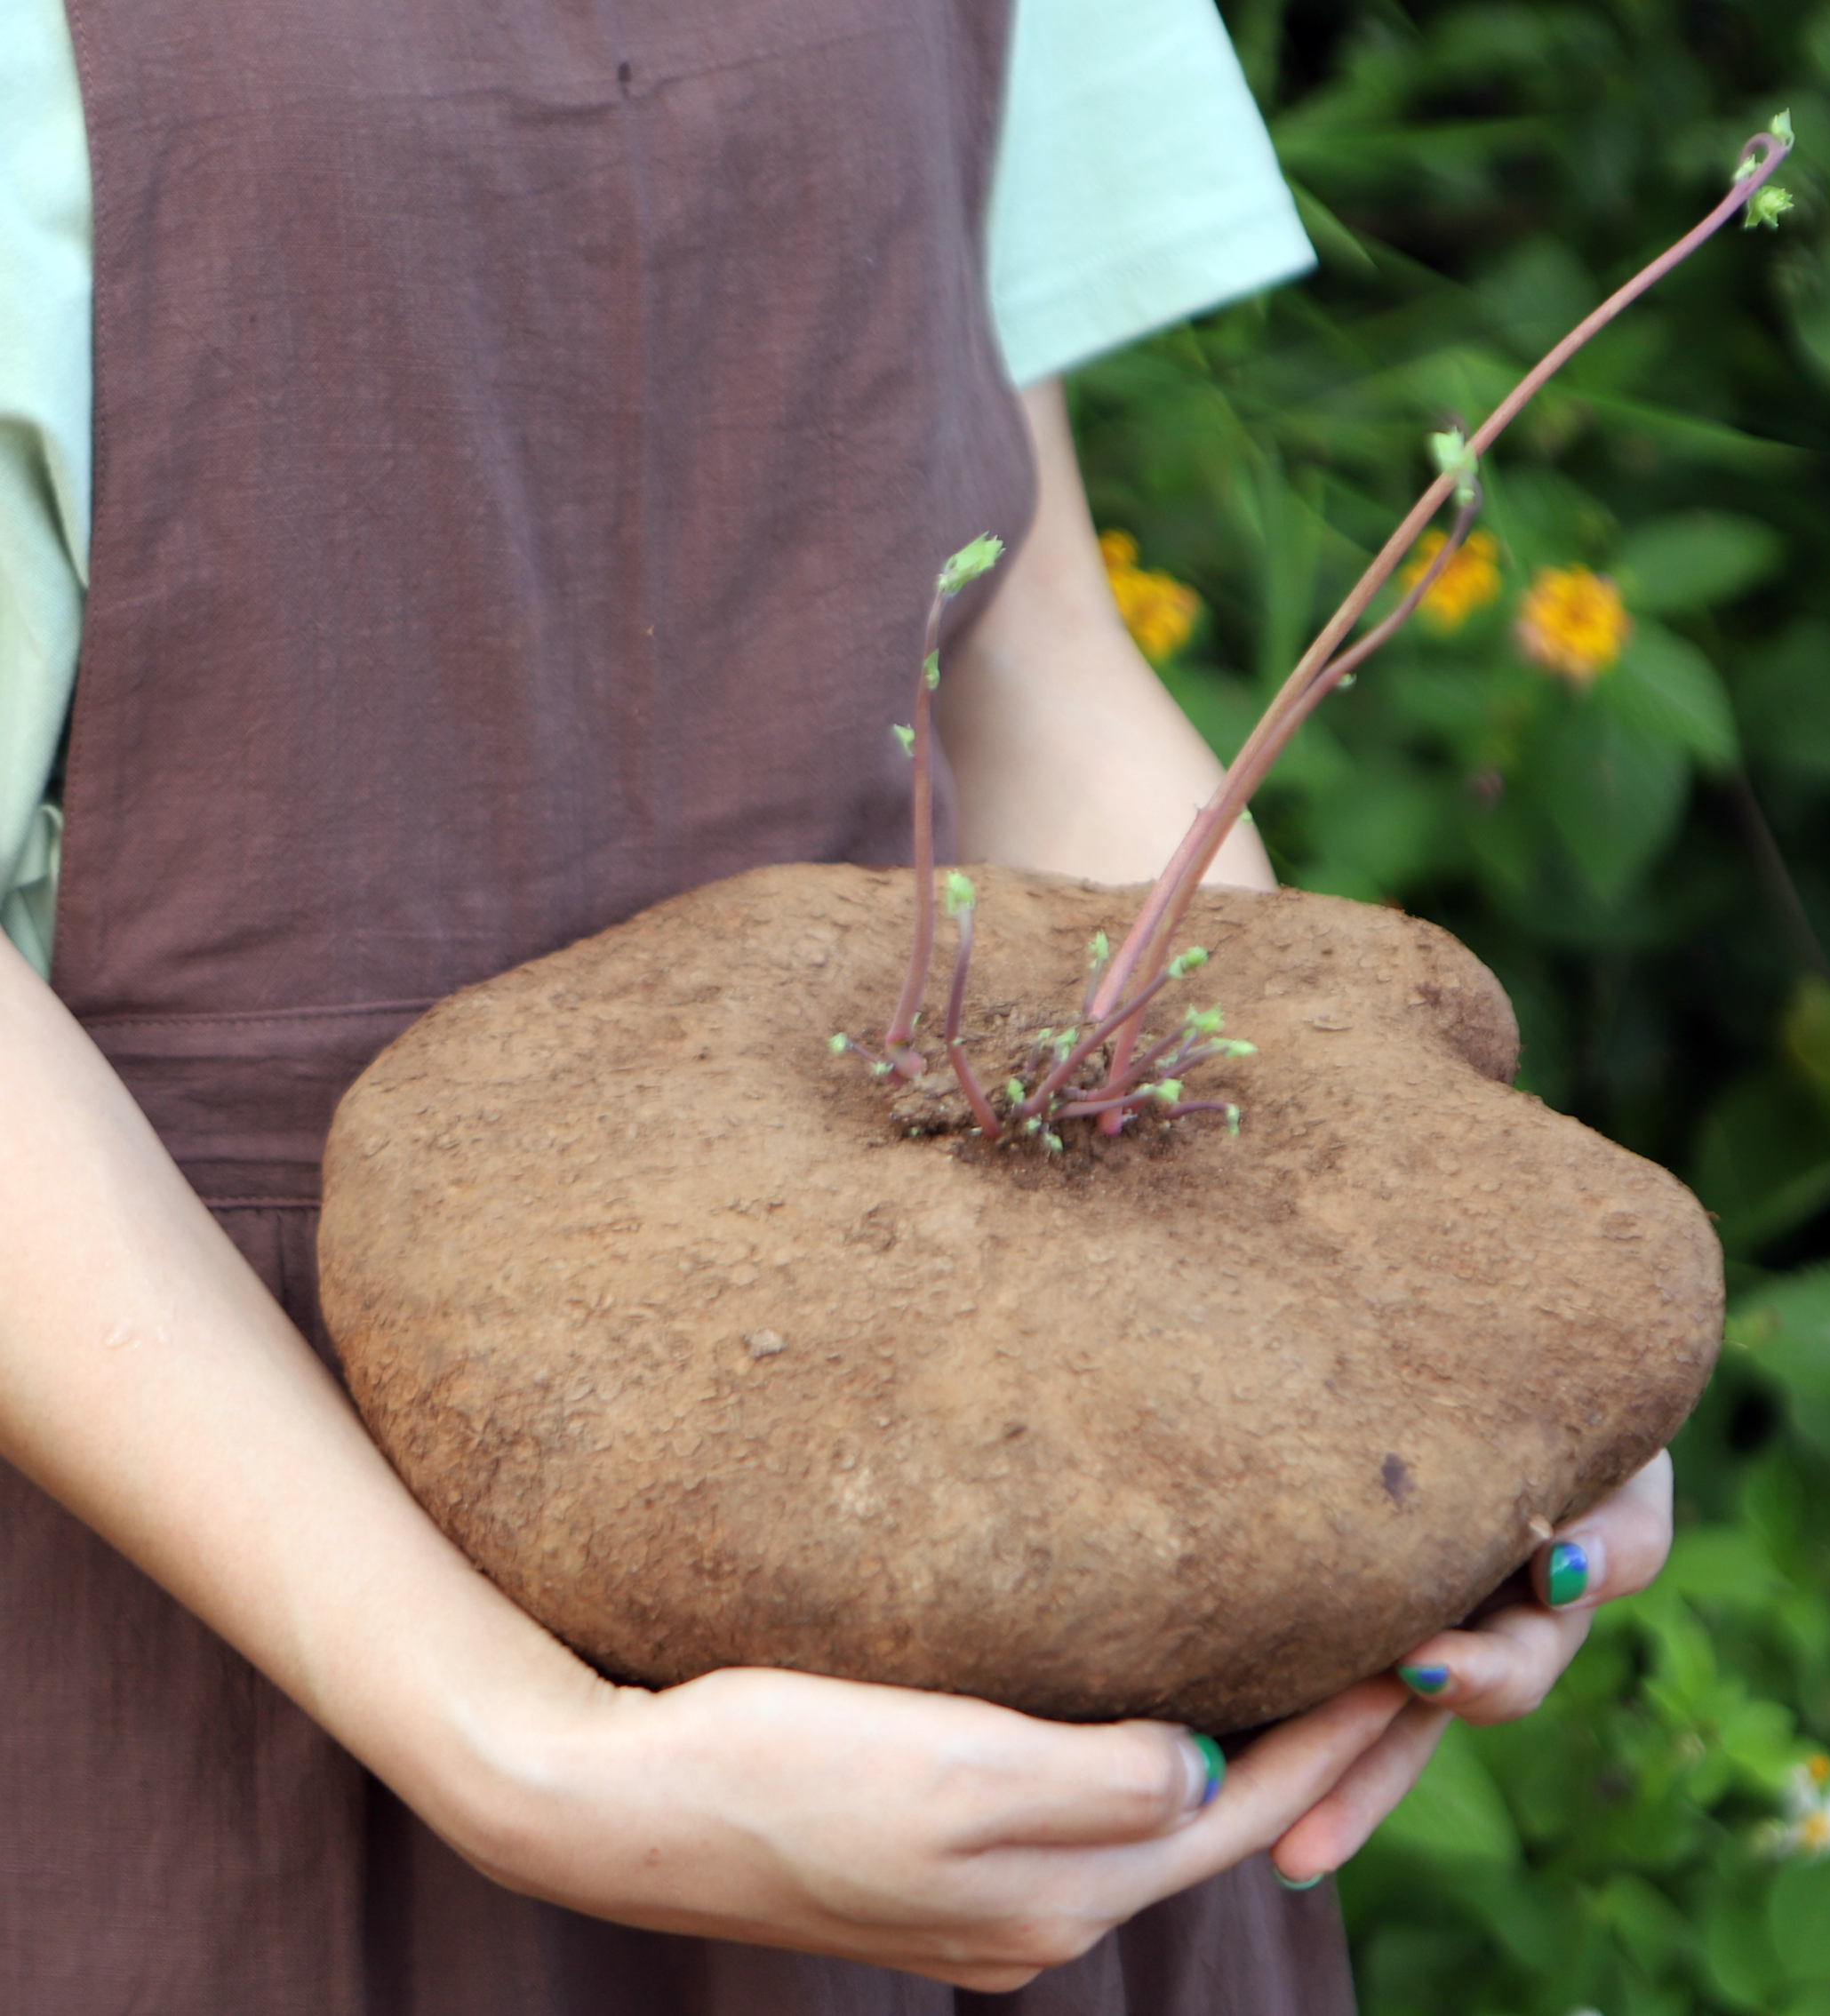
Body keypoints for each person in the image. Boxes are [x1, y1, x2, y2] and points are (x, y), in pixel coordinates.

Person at [0, 0, 1676, 2007]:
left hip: (989, 1561)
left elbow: (1020, 659)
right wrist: (523, 1751)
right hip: (208, 1561)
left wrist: (1400, 1329)